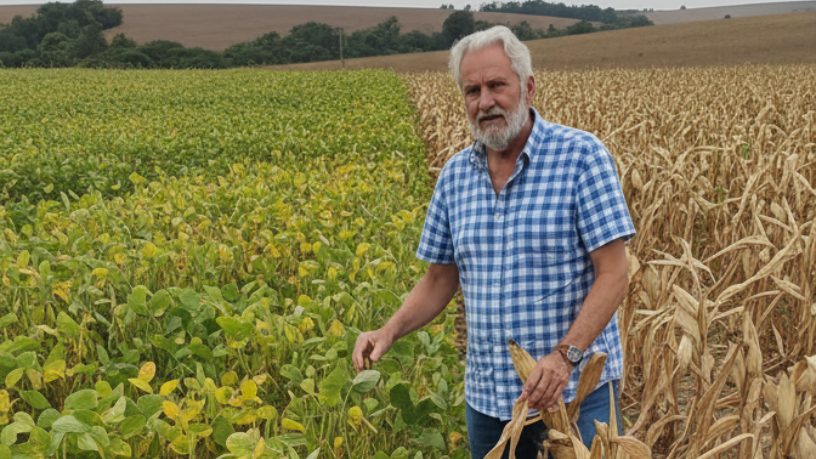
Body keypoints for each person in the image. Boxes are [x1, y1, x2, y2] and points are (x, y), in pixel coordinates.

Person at [352, 26, 635, 458]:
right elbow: (439, 280)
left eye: (497, 85)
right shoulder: (454, 177)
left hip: (577, 393)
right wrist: (388, 331)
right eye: (472, 91)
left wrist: (565, 357)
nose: (485, 102)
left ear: (528, 86)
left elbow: (614, 273)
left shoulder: (581, 157)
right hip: (490, 402)